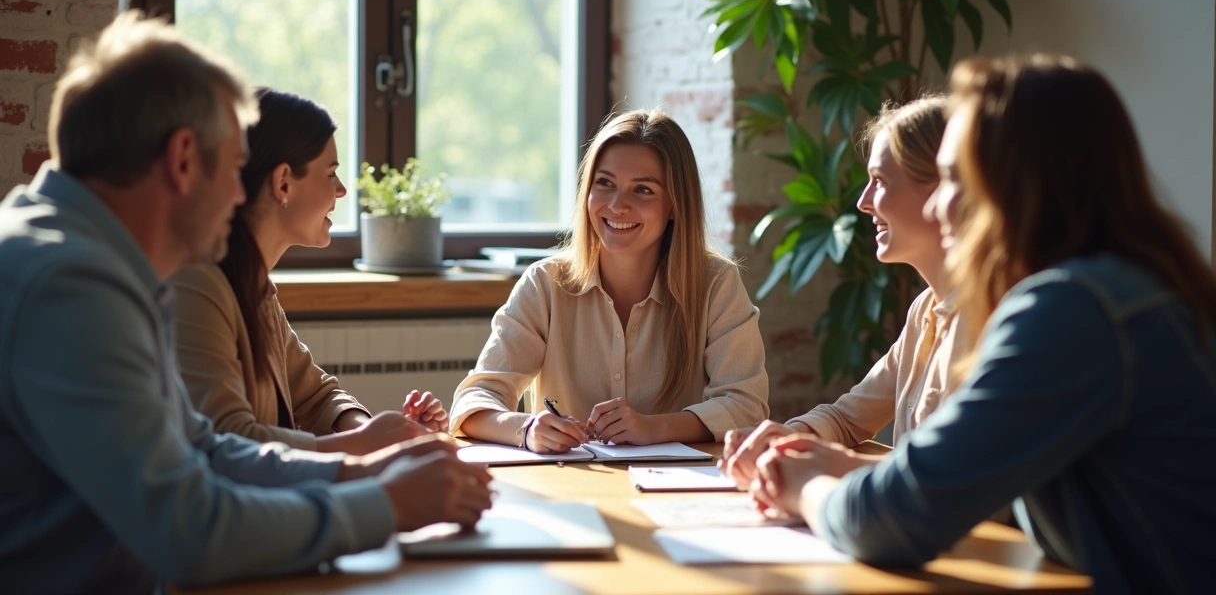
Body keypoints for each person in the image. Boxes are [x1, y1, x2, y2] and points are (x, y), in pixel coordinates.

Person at [0, 12, 491, 592]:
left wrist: (358, 470)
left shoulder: (107, 260)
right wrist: (384, 505)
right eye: (235, 168)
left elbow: (204, 447)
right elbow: (187, 531)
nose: (240, 194)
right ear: (183, 159)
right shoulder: (69, 284)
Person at [751, 55, 1216, 593]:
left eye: (953, 179)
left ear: (1011, 184)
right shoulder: (1131, 289)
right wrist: (834, 463)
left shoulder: (1069, 310)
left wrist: (806, 487)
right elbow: (968, 483)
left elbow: (892, 520)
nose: (941, 208)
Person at [449, 109, 769, 452]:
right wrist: (525, 428)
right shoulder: (544, 284)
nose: (618, 205)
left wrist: (654, 428)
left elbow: (746, 407)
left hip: (680, 492)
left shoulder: (715, 283)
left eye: (643, 190)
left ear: (675, 204)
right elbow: (474, 401)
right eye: (605, 183)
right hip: (572, 486)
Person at [172, 88, 445, 455]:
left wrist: (382, 434)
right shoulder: (199, 287)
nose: (343, 190)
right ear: (283, 182)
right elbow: (228, 440)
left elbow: (316, 397)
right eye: (331, 173)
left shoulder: (255, 287)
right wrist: (361, 445)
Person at [721, 97, 961, 488]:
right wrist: (783, 440)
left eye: (880, 181)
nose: (862, 203)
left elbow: (952, 480)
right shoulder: (925, 311)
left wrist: (831, 464)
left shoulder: (995, 319)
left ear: (941, 187)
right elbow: (846, 418)